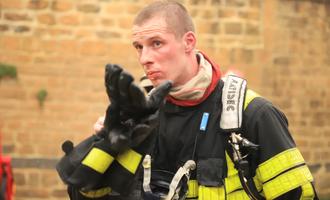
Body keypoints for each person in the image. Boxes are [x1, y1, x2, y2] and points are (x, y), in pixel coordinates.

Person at [56, 1, 318, 199]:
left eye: (156, 43)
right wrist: (105, 147)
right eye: (139, 46)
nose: (144, 58)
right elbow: (86, 195)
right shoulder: (136, 119)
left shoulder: (253, 115)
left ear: (188, 42)